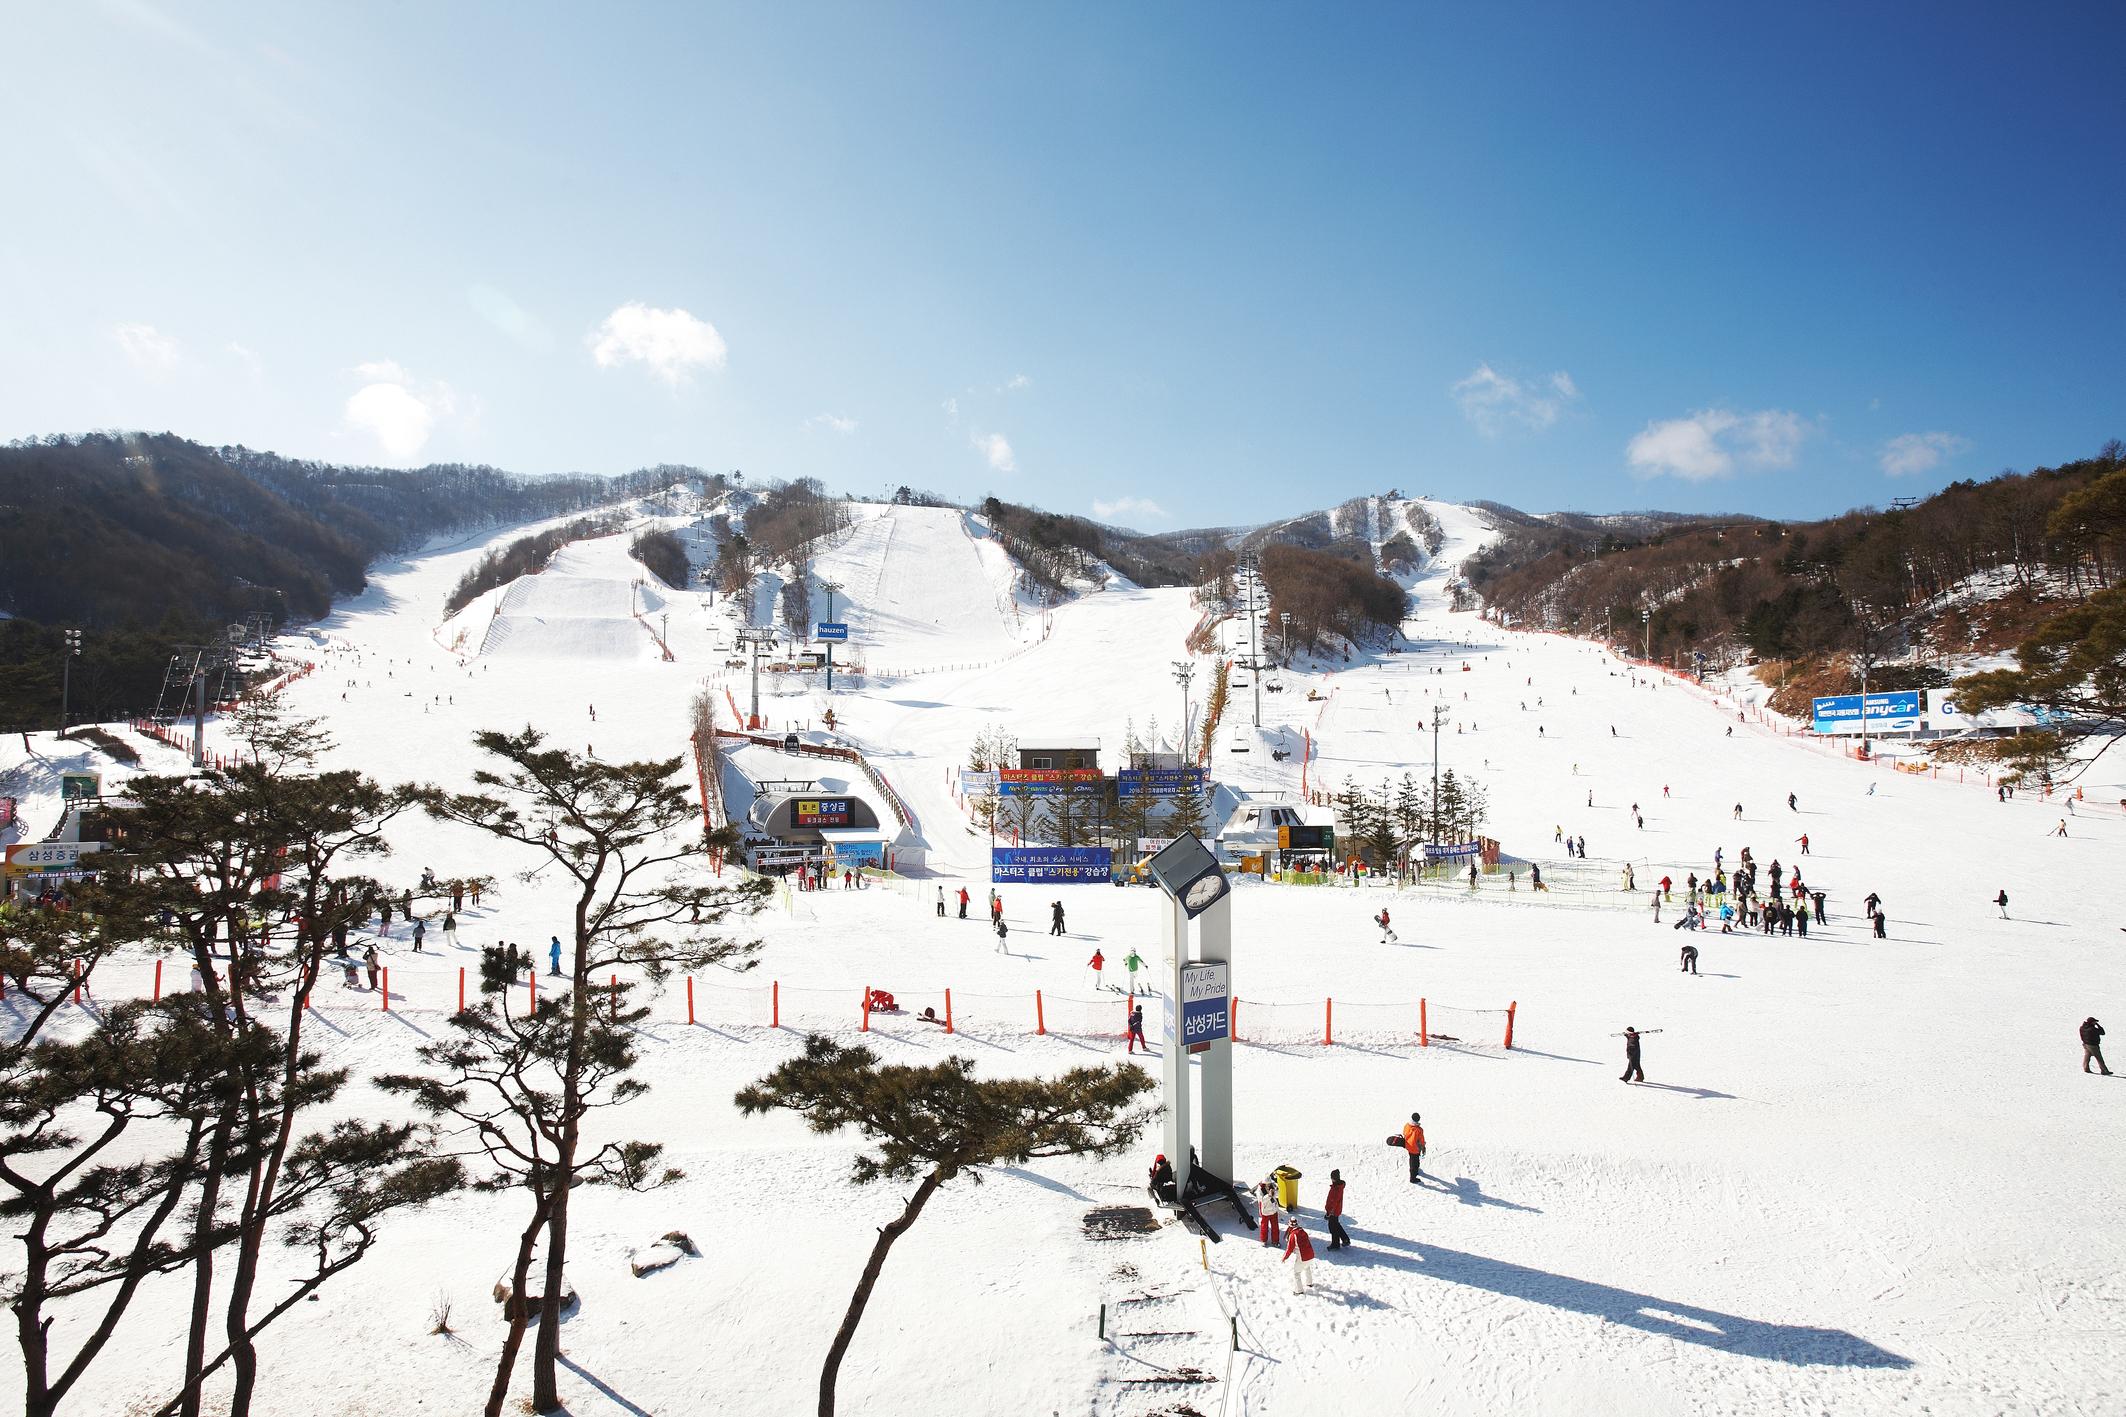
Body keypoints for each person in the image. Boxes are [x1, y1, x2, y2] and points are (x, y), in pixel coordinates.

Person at [1283, 1218, 1316, 1293]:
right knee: (1307, 1267)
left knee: (1296, 1273)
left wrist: (1284, 1258)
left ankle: (1299, 1291)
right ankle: (1309, 1283)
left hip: (1302, 1257)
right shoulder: (1303, 1231)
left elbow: (1289, 1249)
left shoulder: (1293, 1235)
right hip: (1310, 1255)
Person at [1323, 1170, 1350, 1251]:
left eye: (1332, 1178)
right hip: (1335, 1210)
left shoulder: (1337, 1188)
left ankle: (1335, 1244)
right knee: (1336, 1225)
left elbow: (1333, 1201)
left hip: (1333, 1211)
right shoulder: (1337, 1186)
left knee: (1333, 1227)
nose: (1332, 1179)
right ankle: (1345, 1239)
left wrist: (1329, 1213)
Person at [1401, 1113, 1426, 1183]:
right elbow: (1421, 1140)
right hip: (1415, 1148)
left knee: (1412, 1159)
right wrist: (1423, 1147)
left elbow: (1404, 1133)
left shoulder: (1407, 1125)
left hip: (1408, 1146)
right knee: (1414, 1161)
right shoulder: (1419, 1129)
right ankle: (1413, 1178)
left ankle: (1415, 1170)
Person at [1258, 1180, 1283, 1246]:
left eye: (1269, 1183)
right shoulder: (1260, 1190)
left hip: (1273, 1211)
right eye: (1266, 1184)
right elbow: (1261, 1200)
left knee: (1275, 1227)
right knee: (1264, 1227)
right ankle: (1263, 1240)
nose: (1268, 1185)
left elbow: (1277, 1195)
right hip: (1265, 1212)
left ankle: (1275, 1241)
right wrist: (1268, 1195)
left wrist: (1276, 1190)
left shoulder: (1273, 1187)